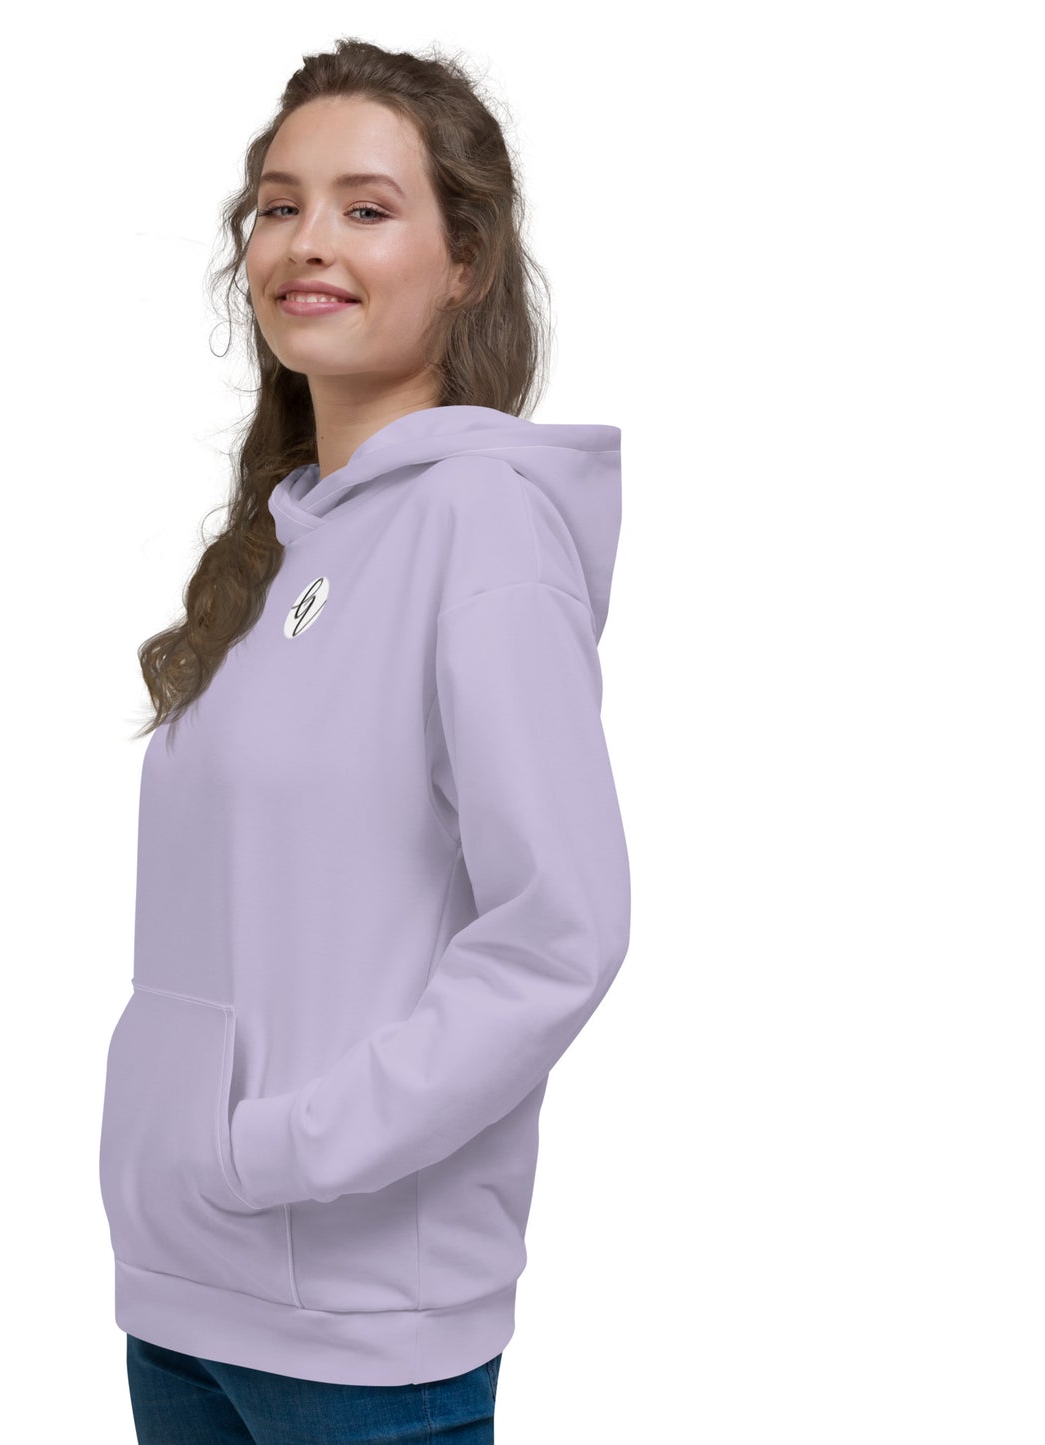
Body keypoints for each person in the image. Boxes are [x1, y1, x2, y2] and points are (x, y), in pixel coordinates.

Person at [98, 36, 631, 1444]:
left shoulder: (483, 525)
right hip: (186, 1297)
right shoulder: (280, 546)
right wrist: (180, 1157)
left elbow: (560, 929)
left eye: (367, 207)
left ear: (466, 262)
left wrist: (288, 1145)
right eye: (279, 205)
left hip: (364, 1324)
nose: (307, 242)